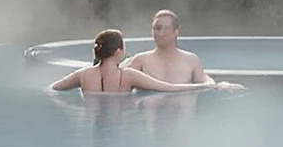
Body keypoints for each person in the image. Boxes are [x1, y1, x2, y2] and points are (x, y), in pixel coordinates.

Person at [49, 28, 208, 97]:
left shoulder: (82, 75)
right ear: (119, 51)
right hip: (119, 122)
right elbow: (170, 88)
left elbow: (54, 88)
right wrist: (206, 86)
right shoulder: (129, 76)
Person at [121, 9, 241, 91]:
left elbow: (204, 81)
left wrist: (219, 86)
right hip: (152, 117)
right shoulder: (141, 60)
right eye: (157, 28)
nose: (161, 33)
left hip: (181, 117)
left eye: (166, 28)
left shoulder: (190, 59)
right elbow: (118, 82)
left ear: (176, 31)